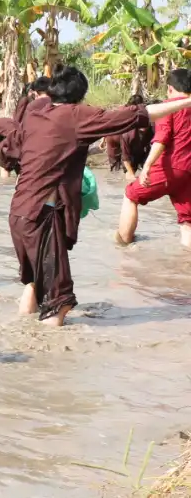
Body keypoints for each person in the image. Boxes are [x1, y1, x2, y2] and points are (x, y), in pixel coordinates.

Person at [13, 66, 191, 326]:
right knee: (58, 303)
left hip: (18, 213)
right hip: (42, 219)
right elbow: (139, 114)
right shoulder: (76, 116)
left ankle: (22, 334)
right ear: (80, 95)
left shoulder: (35, 113)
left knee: (35, 283)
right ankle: (46, 360)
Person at [116, 69, 191, 248]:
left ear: (170, 88)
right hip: (188, 172)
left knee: (131, 194)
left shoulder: (169, 107)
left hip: (171, 167)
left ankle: (124, 245)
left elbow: (161, 140)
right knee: (187, 219)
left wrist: (147, 166)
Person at [120, 94, 153, 184]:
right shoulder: (126, 135)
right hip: (130, 155)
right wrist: (131, 175)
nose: (143, 126)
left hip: (144, 152)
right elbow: (125, 158)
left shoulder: (152, 130)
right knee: (129, 177)